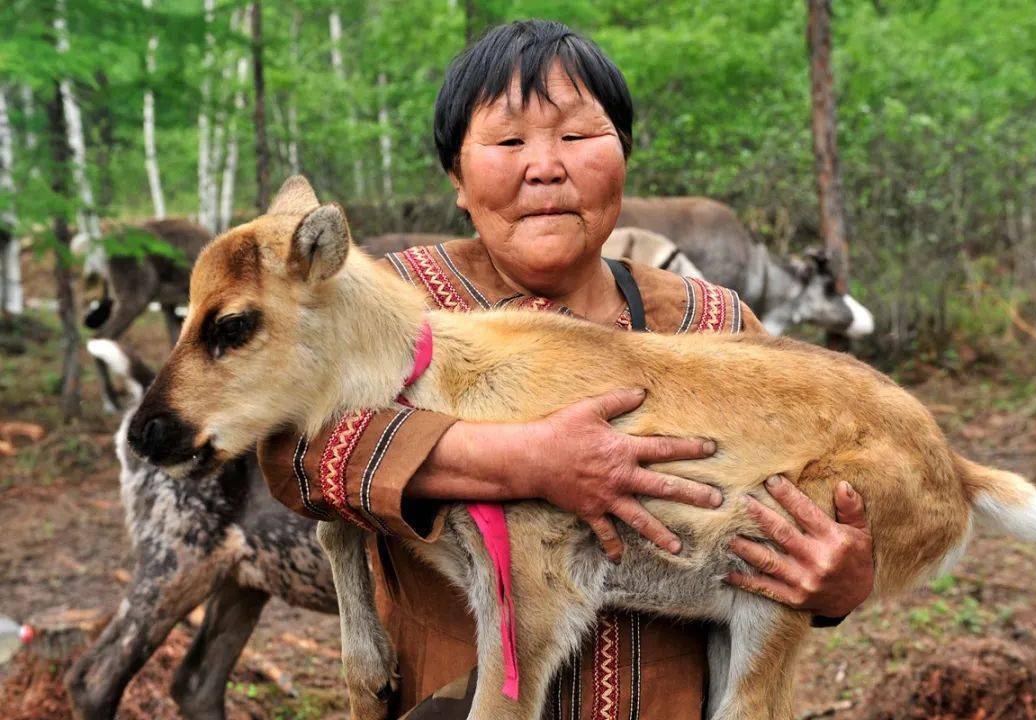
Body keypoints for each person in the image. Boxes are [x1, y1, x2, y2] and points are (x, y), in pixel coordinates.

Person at [258, 19, 873, 720]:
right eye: (509, 141)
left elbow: (825, 490)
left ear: (624, 158)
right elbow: (291, 456)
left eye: (578, 137)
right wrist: (520, 460)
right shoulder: (396, 304)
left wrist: (843, 581)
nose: (545, 166)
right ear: (457, 177)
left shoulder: (713, 323)